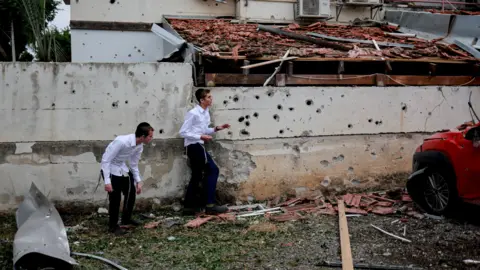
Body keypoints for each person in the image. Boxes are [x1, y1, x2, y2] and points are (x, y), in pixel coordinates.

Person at [179, 88, 230, 215]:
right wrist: (200, 137)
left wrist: (217, 128)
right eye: (208, 97)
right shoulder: (193, 113)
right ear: (202, 100)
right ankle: (210, 205)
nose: (211, 99)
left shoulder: (205, 113)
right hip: (194, 146)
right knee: (213, 170)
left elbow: (204, 130)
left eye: (210, 97)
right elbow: (183, 132)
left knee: (197, 175)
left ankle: (189, 207)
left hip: (198, 145)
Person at [100, 122, 154, 235]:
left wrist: (138, 181)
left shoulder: (139, 146)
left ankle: (126, 218)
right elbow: (105, 160)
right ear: (143, 136)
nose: (151, 138)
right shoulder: (122, 141)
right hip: (110, 169)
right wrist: (107, 181)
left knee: (131, 192)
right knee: (115, 198)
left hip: (122, 168)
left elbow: (133, 164)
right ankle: (113, 226)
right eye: (150, 136)